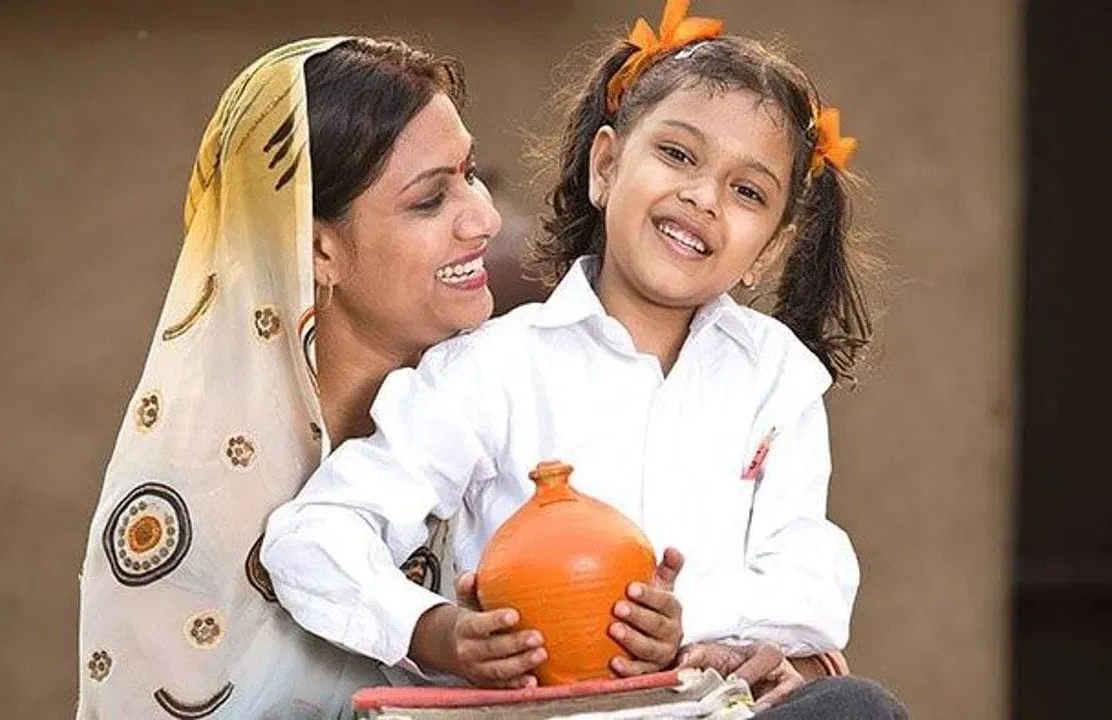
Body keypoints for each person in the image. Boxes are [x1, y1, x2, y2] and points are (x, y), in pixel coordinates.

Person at [263, 2, 903, 716]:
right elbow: (314, 535)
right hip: (544, 712)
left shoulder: (776, 378)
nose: (702, 196)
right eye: (677, 155)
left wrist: (692, 623)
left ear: (771, 249)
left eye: (747, 191)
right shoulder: (492, 369)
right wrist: (435, 631)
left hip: (708, 707)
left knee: (855, 707)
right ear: (606, 167)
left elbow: (808, 571)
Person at [76, 35, 502, 719]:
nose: (485, 218)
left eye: (471, 174)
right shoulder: (187, 512)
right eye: (430, 200)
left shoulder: (498, 413)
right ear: (317, 250)